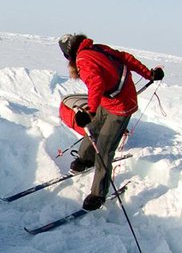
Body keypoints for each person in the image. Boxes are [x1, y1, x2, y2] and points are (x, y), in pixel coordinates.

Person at [58, 33, 164, 210]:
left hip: (121, 106)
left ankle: (98, 194)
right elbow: (125, 58)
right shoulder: (96, 47)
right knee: (92, 129)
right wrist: (148, 74)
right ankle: (85, 159)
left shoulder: (82, 61)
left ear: (68, 55)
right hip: (107, 101)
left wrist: (90, 112)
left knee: (105, 148)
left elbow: (96, 83)